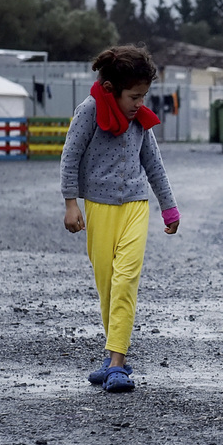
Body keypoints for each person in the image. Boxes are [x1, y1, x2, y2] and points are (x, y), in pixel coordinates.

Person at [60, 44, 180, 393]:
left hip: (136, 205)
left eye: (144, 95)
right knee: (107, 284)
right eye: (134, 96)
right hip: (98, 206)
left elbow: (153, 163)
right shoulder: (89, 110)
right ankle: (115, 355)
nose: (140, 104)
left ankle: (116, 364)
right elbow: (70, 157)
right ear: (112, 89)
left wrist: (168, 206)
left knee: (126, 279)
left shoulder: (139, 121)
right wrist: (71, 204)